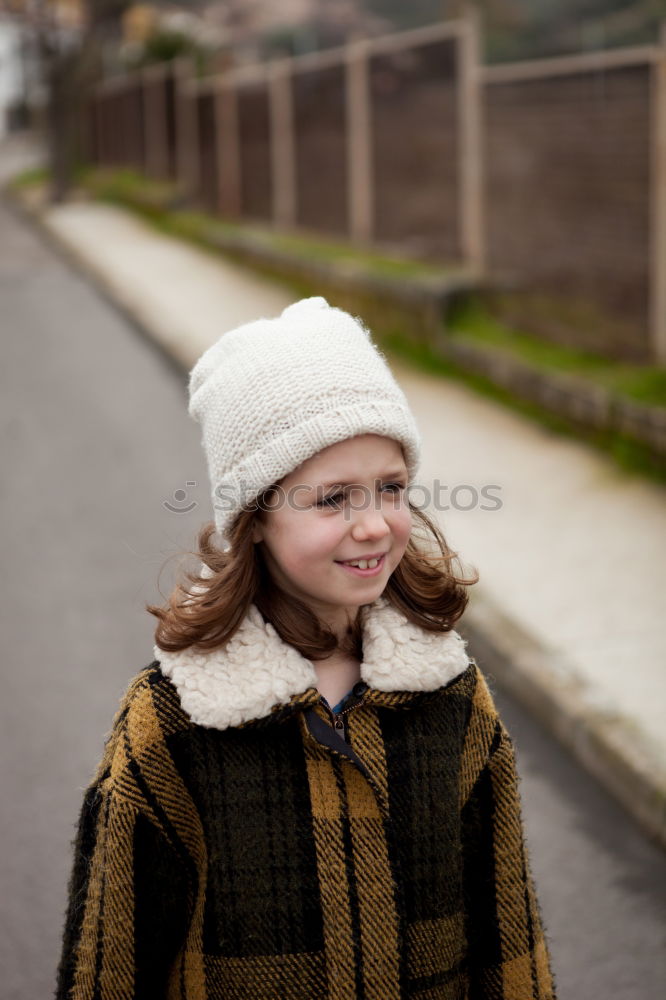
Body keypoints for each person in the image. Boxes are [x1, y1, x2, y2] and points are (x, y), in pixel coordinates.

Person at [55, 296, 556, 999]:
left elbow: (511, 944)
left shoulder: (452, 700)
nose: (376, 525)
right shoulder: (174, 726)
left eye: (391, 488)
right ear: (255, 520)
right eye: (332, 499)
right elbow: (108, 967)